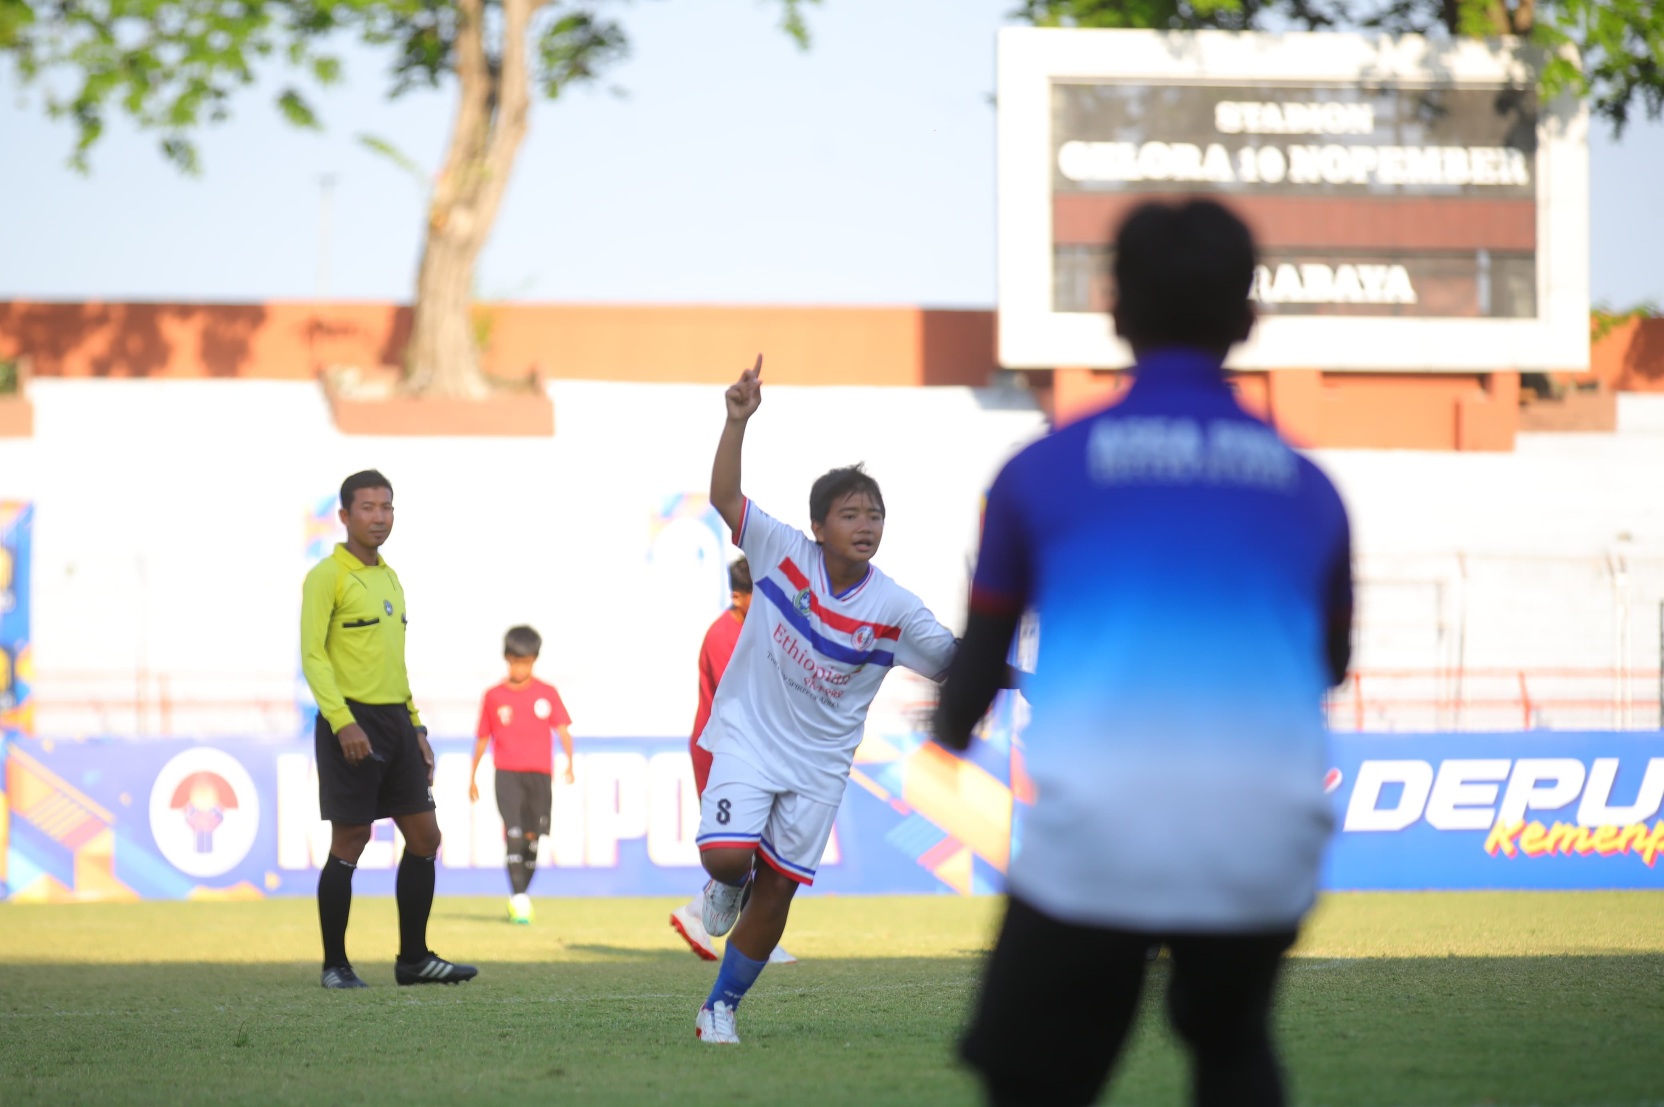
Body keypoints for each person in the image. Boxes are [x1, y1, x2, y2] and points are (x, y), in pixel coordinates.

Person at [935, 198, 1353, 1107]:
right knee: (1231, 1038)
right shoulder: (1311, 487)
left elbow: (981, 659)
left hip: (1101, 829)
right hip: (1264, 832)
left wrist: (947, 732)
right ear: (1248, 319)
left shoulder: (1042, 469)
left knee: (1030, 1072)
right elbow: (1330, 660)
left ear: (1115, 309)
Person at [692, 356, 959, 1044]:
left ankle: (719, 1006)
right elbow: (725, 497)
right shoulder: (781, 552)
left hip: (818, 765)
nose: (865, 523)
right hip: (751, 737)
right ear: (818, 525)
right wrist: (735, 420)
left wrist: (1031, 670)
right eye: (850, 513)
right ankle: (725, 883)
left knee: (778, 890)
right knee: (727, 858)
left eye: (875, 514)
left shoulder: (894, 605)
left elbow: (958, 661)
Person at [301, 469, 478, 989]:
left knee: (426, 836)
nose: (379, 517)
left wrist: (417, 728)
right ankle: (335, 965)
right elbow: (313, 656)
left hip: (397, 723)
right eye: (368, 508)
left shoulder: (391, 578)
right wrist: (342, 722)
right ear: (345, 516)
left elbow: (395, 665)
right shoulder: (325, 577)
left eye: (387, 507)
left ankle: (414, 959)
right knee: (351, 839)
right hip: (350, 720)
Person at [668, 557, 795, 965]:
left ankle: (739, 929)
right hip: (720, 751)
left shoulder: (761, 629)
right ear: (739, 595)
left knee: (759, 843)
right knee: (741, 843)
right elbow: (747, 699)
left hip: (752, 750)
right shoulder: (724, 636)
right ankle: (704, 916)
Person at [468, 625, 576, 926]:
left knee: (532, 839)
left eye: (525, 661)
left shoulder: (547, 693)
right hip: (507, 774)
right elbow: (482, 737)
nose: (520, 667)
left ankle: (521, 895)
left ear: (534, 660)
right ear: (506, 658)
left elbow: (563, 729)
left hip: (540, 776)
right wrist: (473, 775)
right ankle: (518, 898)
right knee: (513, 833)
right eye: (515, 661)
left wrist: (569, 761)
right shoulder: (493, 696)